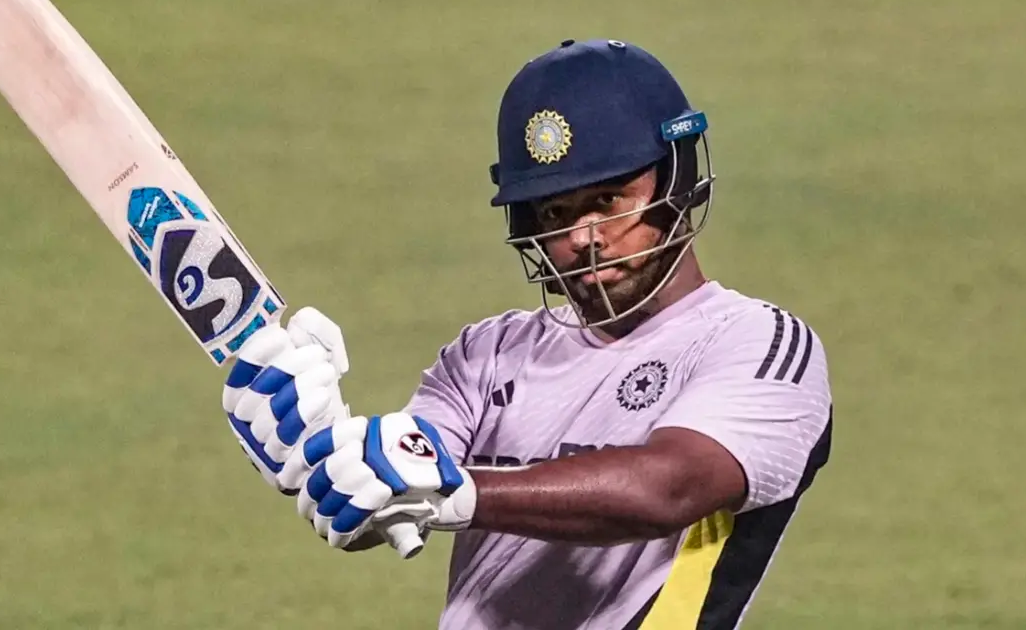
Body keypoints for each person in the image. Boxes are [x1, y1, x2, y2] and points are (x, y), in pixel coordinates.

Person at [222, 39, 834, 630]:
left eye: (609, 198)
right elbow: (394, 501)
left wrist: (459, 493)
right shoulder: (486, 356)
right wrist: (325, 451)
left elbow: (668, 488)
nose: (583, 237)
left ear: (676, 178)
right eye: (554, 213)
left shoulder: (758, 344)